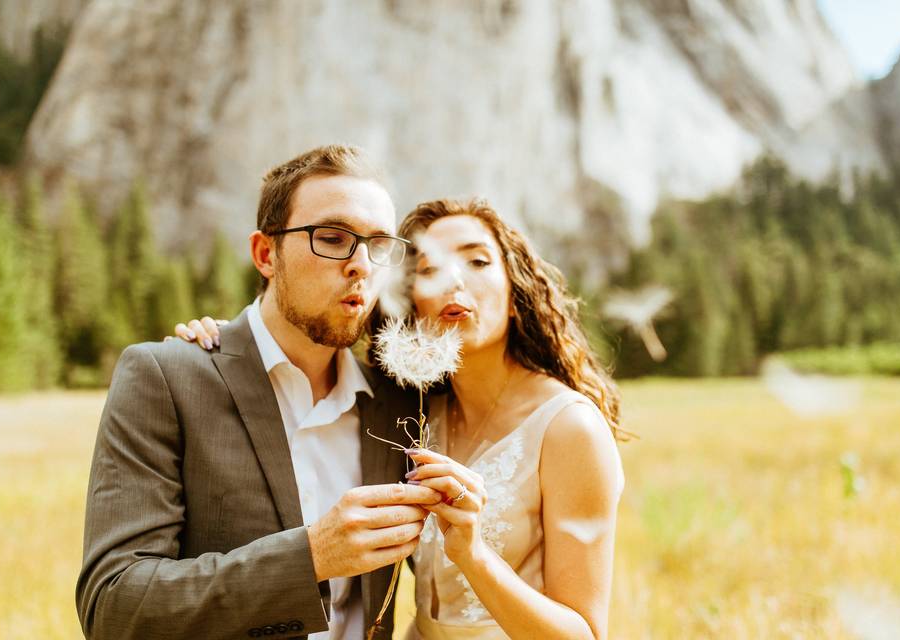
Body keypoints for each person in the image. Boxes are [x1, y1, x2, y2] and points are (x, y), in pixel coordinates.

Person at [180, 198, 626, 639]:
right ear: (409, 306)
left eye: (477, 260)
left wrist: (473, 555)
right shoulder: (411, 414)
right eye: (429, 270)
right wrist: (226, 343)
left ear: (516, 293)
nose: (454, 280)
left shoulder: (569, 427)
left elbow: (583, 634)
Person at [76, 145, 444, 640]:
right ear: (266, 254)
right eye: (332, 238)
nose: (361, 265)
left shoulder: (401, 405)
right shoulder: (164, 377)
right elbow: (114, 605)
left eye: (378, 244)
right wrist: (311, 556)